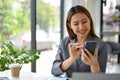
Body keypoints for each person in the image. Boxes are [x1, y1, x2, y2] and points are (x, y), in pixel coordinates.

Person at [51, 5, 108, 78]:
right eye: (76, 24)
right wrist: (72, 58)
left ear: (89, 21)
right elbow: (54, 70)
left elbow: (101, 78)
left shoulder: (101, 45)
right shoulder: (65, 42)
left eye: (84, 22)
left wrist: (94, 64)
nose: (81, 27)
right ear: (70, 25)